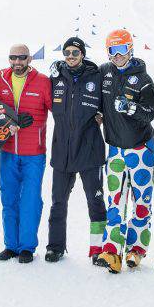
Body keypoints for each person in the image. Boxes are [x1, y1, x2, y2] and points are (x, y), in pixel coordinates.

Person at [95, 28, 154, 274]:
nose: (117, 55)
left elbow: (152, 113)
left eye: (121, 50)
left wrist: (132, 108)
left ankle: (136, 249)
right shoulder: (104, 72)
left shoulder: (143, 78)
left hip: (141, 149)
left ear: (130, 50)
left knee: (141, 202)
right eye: (113, 51)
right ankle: (112, 251)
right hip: (115, 150)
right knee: (114, 202)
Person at [0, 44, 53, 264]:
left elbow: (61, 109)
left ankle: (26, 246)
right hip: (6, 151)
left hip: (34, 152)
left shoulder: (43, 82)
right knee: (8, 197)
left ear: (29, 59)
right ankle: (11, 245)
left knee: (31, 200)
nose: (17, 62)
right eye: (13, 58)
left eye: (22, 58)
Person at [45, 36, 106, 263]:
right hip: (62, 151)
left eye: (75, 53)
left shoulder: (97, 76)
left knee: (95, 201)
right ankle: (55, 247)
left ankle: (99, 248)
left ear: (82, 54)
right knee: (58, 202)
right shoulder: (55, 78)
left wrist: (104, 115)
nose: (71, 57)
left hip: (89, 150)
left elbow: (110, 101)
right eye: (67, 53)